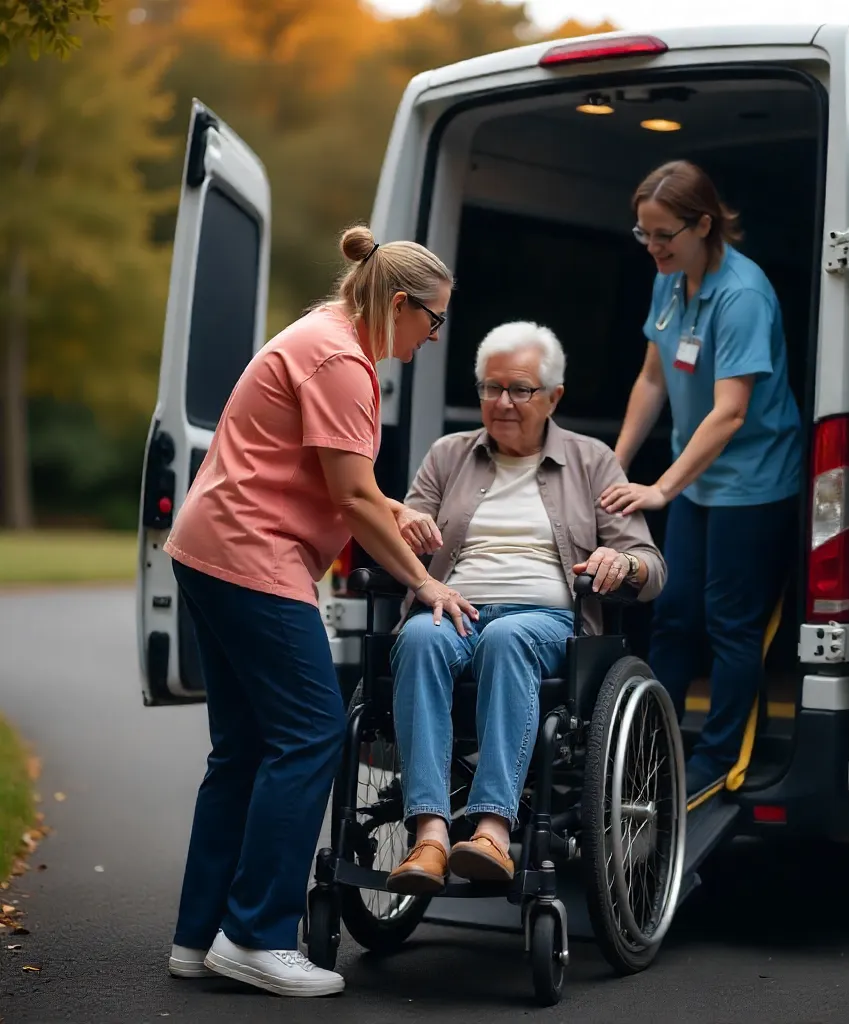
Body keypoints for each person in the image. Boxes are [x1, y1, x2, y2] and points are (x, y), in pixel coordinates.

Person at [163, 226, 477, 997]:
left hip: (210, 546)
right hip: (252, 557)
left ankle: (199, 936)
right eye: (432, 323)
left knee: (242, 750)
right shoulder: (344, 361)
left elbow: (344, 485)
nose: (430, 339)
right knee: (308, 733)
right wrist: (424, 583)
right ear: (400, 304)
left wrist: (393, 509)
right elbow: (346, 496)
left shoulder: (323, 336)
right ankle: (259, 936)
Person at [381, 321, 667, 894]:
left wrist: (623, 564)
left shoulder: (593, 463)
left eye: (520, 390)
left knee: (506, 638)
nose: (503, 403)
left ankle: (491, 829)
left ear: (554, 397)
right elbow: (397, 540)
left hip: (545, 621)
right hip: (454, 606)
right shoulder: (447, 456)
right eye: (491, 389)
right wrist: (402, 530)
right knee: (416, 638)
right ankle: (431, 835)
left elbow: (651, 567)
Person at [600, 160, 802, 798]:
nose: (653, 247)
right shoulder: (670, 281)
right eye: (644, 234)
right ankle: (651, 749)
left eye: (664, 234)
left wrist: (660, 488)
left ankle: (717, 762)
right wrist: (616, 460)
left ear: (704, 224)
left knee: (728, 621)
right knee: (674, 612)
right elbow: (653, 378)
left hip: (754, 482)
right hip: (698, 481)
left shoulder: (742, 294)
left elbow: (731, 411)